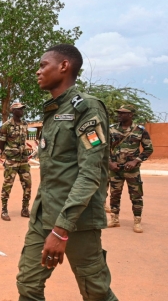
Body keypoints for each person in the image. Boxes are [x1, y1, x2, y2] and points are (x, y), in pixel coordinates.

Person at [16, 44, 118, 300]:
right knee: (28, 285)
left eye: (43, 65)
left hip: (77, 221)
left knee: (96, 292)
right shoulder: (53, 110)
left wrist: (61, 229)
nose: (38, 72)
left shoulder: (86, 109)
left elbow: (90, 174)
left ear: (64, 66)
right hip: (44, 215)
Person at [107, 104, 153, 233]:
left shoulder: (140, 130)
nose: (119, 115)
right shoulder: (111, 129)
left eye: (123, 113)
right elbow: (103, 149)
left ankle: (137, 221)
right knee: (114, 195)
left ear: (131, 115)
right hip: (115, 169)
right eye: (119, 112)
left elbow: (148, 149)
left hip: (131, 170)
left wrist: (136, 161)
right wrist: (110, 163)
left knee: (136, 195)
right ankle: (114, 219)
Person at [0, 103, 32, 220]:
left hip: (23, 160)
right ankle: (4, 210)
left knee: (27, 185)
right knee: (7, 185)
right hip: (11, 161)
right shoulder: (6, 126)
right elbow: (1, 143)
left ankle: (25, 209)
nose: (22, 111)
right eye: (19, 109)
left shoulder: (24, 124)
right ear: (13, 111)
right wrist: (6, 155)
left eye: (23, 109)